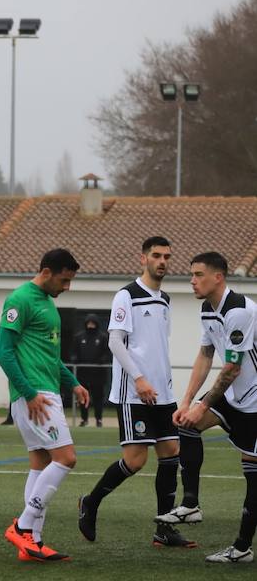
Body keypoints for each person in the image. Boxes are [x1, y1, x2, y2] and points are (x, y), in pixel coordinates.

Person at [78, 237, 195, 547]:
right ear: (143, 258)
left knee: (171, 453)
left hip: (162, 395)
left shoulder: (165, 299)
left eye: (167, 256)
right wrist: (140, 379)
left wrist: (164, 384)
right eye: (156, 255)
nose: (162, 261)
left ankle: (163, 528)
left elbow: (157, 345)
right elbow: (115, 341)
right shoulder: (126, 296)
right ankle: (90, 502)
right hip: (134, 393)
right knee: (135, 460)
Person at [159, 252, 257, 564]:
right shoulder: (207, 308)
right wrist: (186, 402)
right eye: (192, 274)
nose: (192, 280)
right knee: (187, 423)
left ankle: (241, 548)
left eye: (198, 274)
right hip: (237, 396)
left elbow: (231, 369)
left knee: (254, 476)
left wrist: (202, 405)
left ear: (218, 277)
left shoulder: (239, 311)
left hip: (255, 401)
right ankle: (190, 504)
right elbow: (205, 355)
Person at [0, 248, 89, 562]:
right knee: (66, 458)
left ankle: (33, 542)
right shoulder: (20, 300)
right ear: (47, 272)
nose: (67, 287)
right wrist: (27, 392)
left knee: (39, 464)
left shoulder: (49, 306)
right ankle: (23, 527)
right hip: (34, 397)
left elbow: (51, 358)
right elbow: (3, 352)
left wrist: (73, 383)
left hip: (44, 392)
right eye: (64, 280)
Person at [71, 314, 110, 427]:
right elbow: (74, 352)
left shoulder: (102, 337)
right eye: (89, 323)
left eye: (93, 323)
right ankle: (84, 419)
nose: (90, 325)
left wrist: (103, 360)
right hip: (83, 374)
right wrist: (74, 359)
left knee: (98, 398)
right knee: (83, 398)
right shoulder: (79, 337)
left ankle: (99, 419)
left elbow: (107, 353)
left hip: (98, 374)